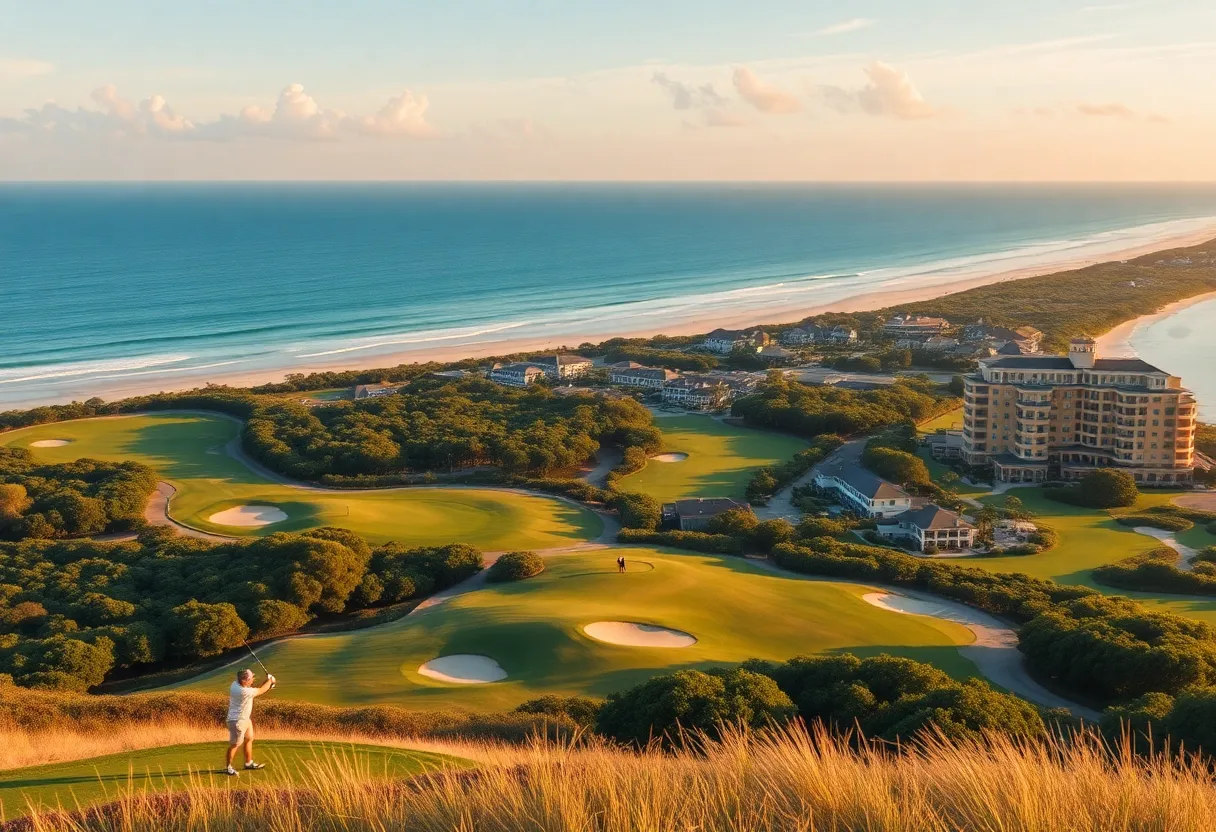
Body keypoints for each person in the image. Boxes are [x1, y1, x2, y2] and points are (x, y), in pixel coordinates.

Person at [224, 667, 276, 776]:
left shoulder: (235, 684)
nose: (253, 679)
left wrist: (268, 682)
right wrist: (270, 681)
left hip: (245, 719)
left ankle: (248, 763)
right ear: (244, 681)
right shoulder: (243, 691)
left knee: (249, 738)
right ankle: (228, 767)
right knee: (235, 744)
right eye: (251, 678)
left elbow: (260, 688)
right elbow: (261, 690)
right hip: (237, 721)